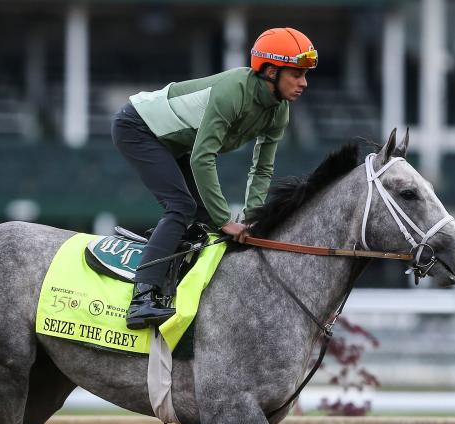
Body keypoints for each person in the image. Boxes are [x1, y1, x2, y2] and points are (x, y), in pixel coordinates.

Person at [111, 27, 317, 330]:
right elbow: (202, 158)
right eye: (297, 74)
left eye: (306, 75)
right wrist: (226, 220)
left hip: (177, 143)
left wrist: (253, 219)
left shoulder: (279, 112)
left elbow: (261, 169)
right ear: (271, 70)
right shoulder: (234, 91)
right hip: (138, 128)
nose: (303, 83)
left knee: (204, 219)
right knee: (181, 207)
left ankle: (173, 278)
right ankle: (142, 297)